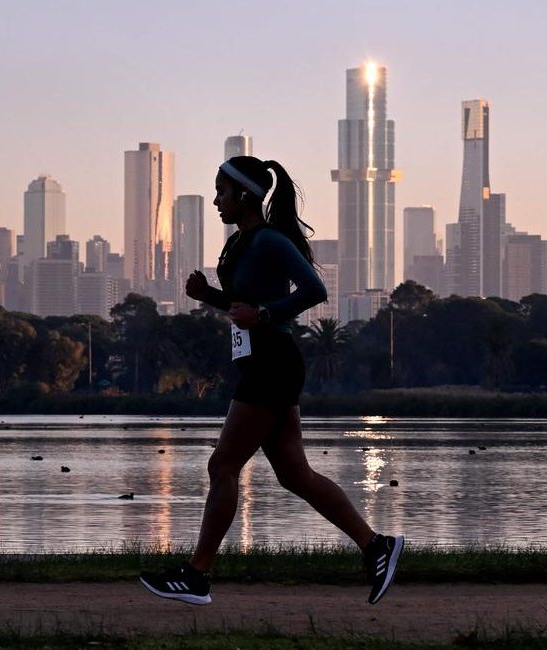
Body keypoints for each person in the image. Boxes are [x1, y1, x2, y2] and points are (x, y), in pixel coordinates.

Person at [139, 156, 403, 606]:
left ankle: (197, 575)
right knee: (295, 474)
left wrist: (262, 314)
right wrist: (211, 297)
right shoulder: (239, 245)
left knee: (222, 466)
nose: (216, 200)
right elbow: (244, 305)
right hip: (262, 363)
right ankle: (376, 546)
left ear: (244, 195)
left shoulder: (269, 241)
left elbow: (313, 291)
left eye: (222, 192)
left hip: (272, 365)